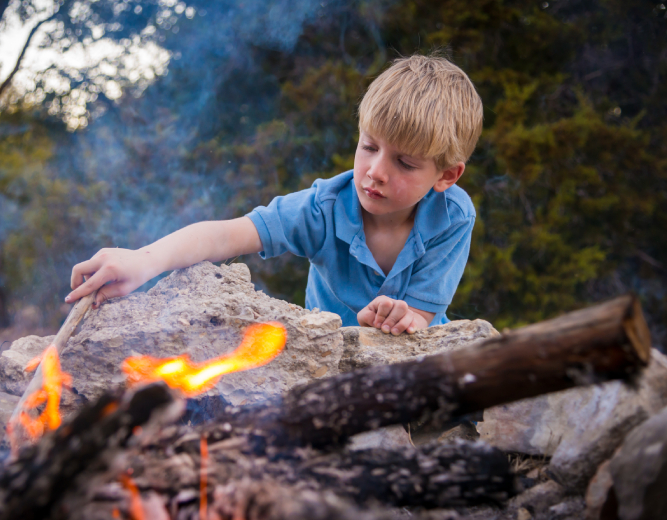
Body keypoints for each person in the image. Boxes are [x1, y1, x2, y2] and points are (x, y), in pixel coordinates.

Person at [65, 54, 483, 335]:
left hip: (420, 364)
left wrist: (403, 318)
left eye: (405, 164)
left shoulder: (453, 215)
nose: (375, 171)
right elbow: (228, 235)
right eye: (369, 147)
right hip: (327, 361)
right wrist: (143, 260)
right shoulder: (323, 209)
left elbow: (423, 316)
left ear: (446, 175)